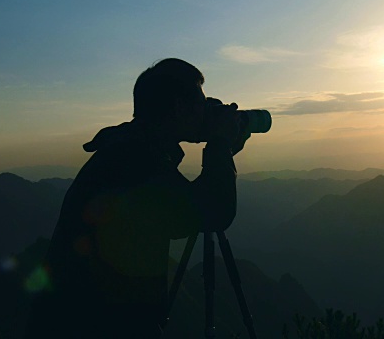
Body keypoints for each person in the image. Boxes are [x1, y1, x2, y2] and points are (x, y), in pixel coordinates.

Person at [25, 58, 250, 338]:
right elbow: (212, 212)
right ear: (179, 107)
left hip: (75, 321)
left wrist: (222, 150)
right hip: (92, 325)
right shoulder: (133, 161)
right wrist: (219, 144)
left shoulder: (127, 150)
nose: (205, 113)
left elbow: (180, 200)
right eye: (200, 104)